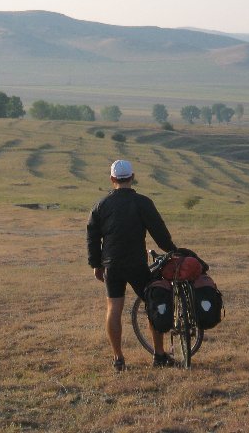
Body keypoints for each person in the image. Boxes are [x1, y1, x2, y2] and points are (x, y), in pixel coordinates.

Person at [87, 159, 178, 371]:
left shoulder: (101, 205)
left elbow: (92, 237)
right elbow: (159, 232)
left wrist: (96, 264)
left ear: (112, 179)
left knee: (114, 308)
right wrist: (173, 250)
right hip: (137, 264)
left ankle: (118, 359)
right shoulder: (143, 202)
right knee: (152, 303)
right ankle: (159, 355)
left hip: (111, 264)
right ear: (133, 177)